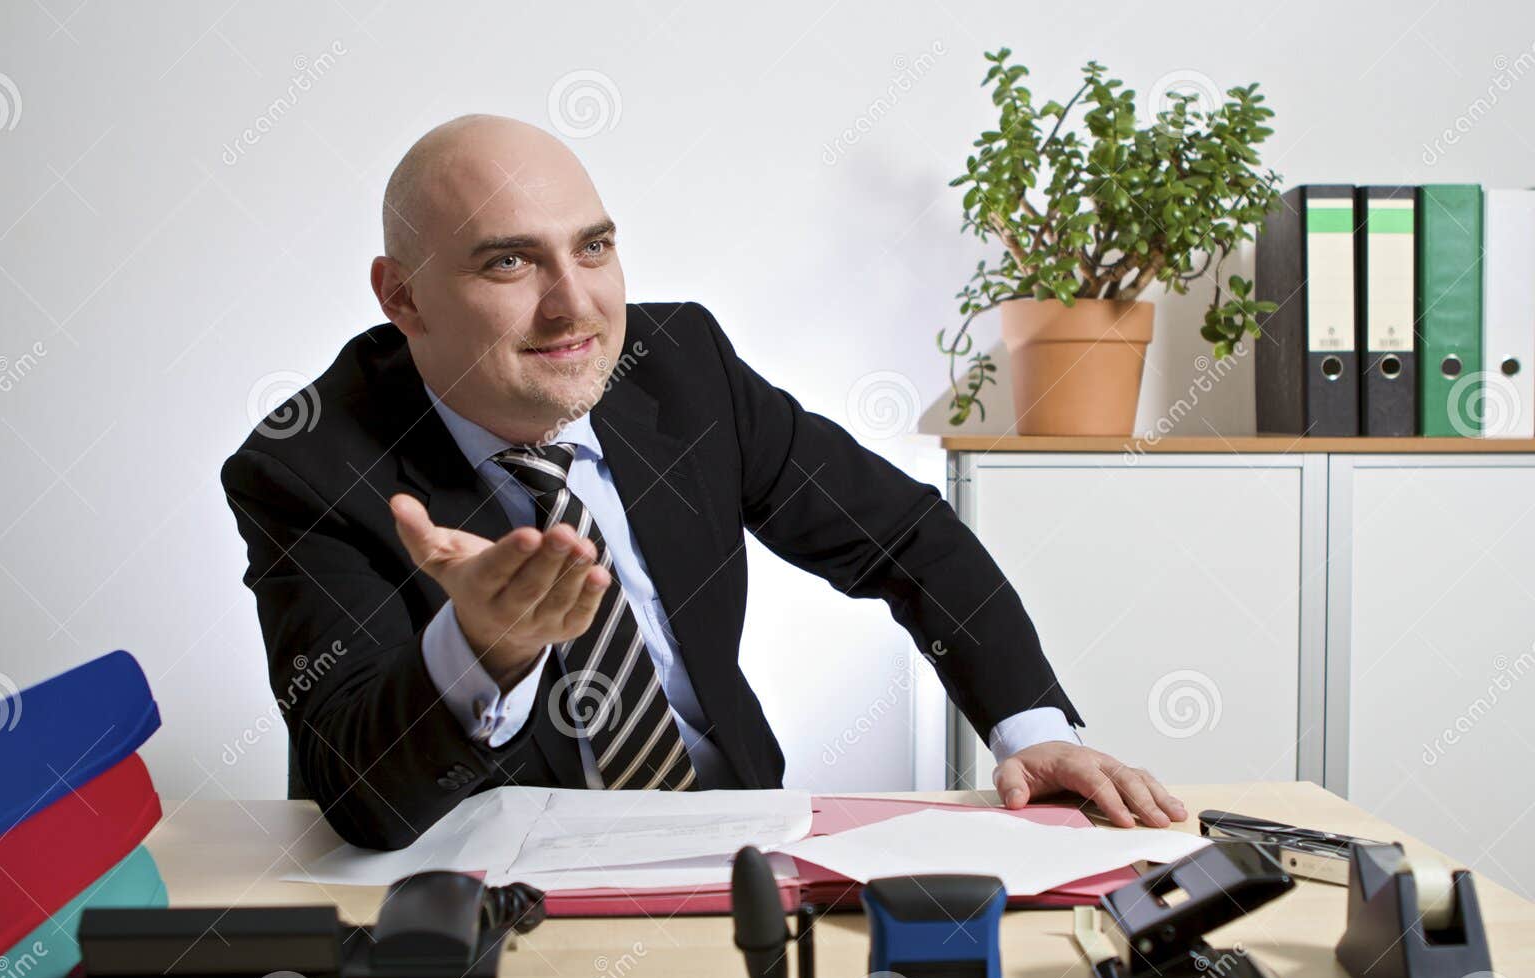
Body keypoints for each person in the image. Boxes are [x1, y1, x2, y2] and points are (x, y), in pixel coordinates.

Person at [220, 114, 1187, 851]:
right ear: (402, 297)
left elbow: (902, 536)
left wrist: (1030, 729)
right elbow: (360, 795)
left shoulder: (677, 366)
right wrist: (480, 651)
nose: (575, 305)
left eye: (593, 247)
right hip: (490, 887)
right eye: (509, 260)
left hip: (735, 848)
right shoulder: (307, 464)